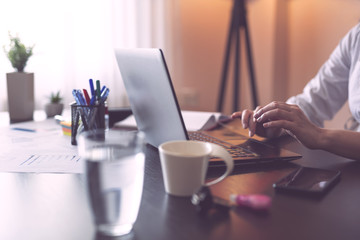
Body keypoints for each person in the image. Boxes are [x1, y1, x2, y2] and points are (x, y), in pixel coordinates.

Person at [231, 23, 360, 161]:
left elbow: (316, 134)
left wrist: (319, 136)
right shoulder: (356, 37)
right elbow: (313, 101)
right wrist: (279, 122)